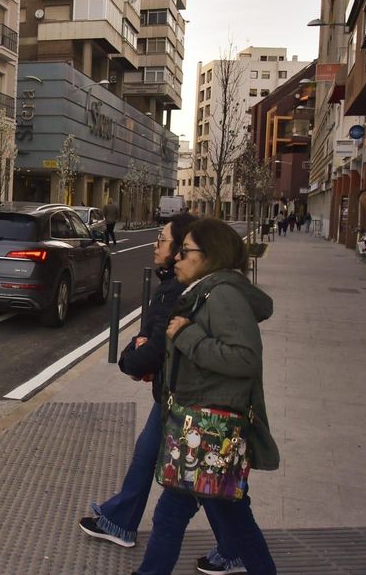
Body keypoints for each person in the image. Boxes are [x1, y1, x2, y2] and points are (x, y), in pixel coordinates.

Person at [79, 215, 245, 560]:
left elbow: (238, 358)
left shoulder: (203, 295)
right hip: (180, 397)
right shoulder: (192, 289)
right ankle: (121, 520)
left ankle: (236, 549)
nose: (161, 248)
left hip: (197, 407)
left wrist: (154, 352)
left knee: (207, 490)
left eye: (172, 244)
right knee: (168, 469)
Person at [133, 218, 279, 575]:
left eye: (185, 252)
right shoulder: (207, 290)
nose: (177, 258)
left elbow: (245, 357)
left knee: (170, 514)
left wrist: (187, 336)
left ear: (209, 255)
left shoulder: (223, 295)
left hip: (210, 428)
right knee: (232, 512)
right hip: (204, 427)